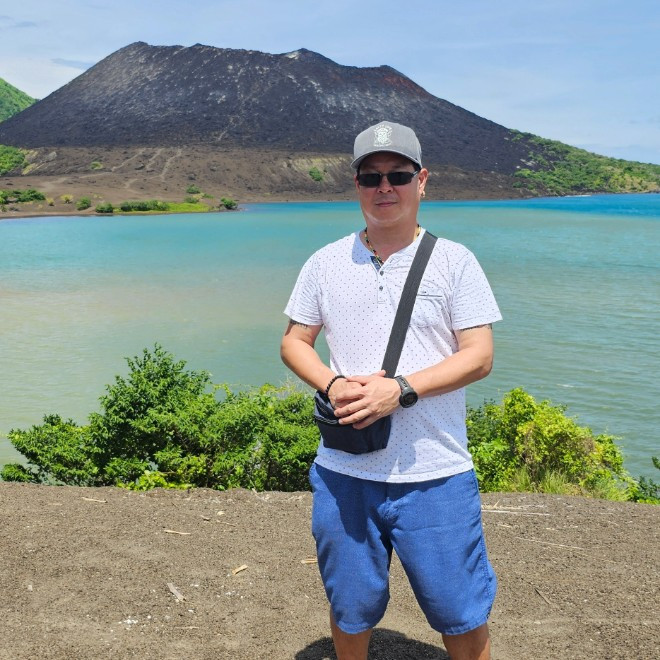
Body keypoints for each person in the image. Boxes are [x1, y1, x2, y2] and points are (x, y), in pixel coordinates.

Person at [281, 121, 502, 660]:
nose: (385, 187)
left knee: (459, 609)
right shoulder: (325, 262)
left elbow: (479, 356)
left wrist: (399, 391)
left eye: (398, 175)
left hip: (436, 472)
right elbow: (294, 341)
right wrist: (332, 382)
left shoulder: (455, 262)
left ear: (421, 181)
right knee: (350, 604)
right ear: (356, 184)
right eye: (371, 176)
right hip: (344, 470)